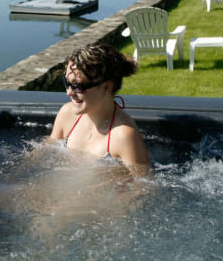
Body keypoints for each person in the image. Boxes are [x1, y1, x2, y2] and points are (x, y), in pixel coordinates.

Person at [49, 43, 151, 173]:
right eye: (67, 83)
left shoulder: (123, 135)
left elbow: (142, 187)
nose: (69, 92)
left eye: (78, 86)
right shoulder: (67, 114)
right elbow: (45, 152)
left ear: (106, 87)